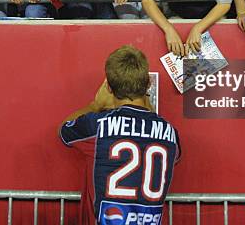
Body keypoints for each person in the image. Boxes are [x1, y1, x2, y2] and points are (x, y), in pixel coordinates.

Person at [59, 45, 181, 225]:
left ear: (108, 87)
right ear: (148, 83)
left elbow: (64, 131)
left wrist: (95, 105)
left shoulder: (97, 125)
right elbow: (174, 156)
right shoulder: (171, 133)